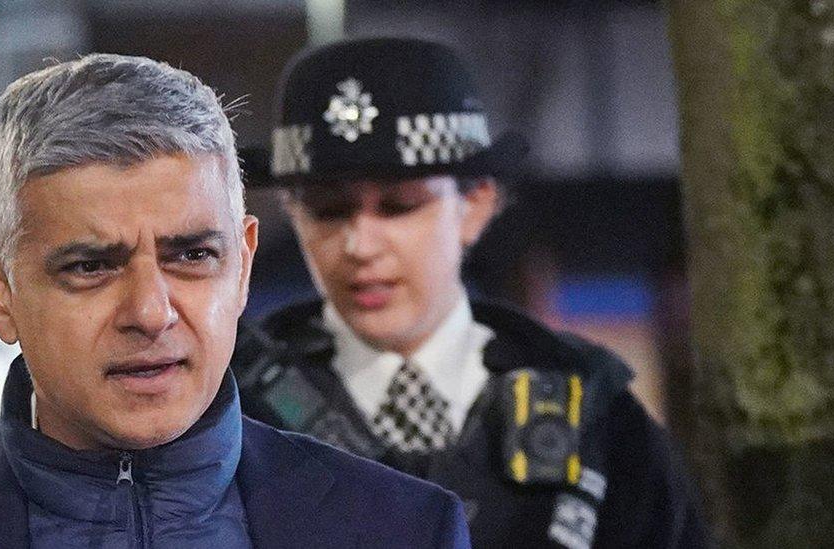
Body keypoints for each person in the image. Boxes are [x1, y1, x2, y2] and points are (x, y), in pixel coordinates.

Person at [0, 53, 470, 548]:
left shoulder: (405, 530)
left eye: (190, 256)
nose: (150, 313)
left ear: (242, 266)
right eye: (90, 266)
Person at [233, 38, 709, 548]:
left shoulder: (600, 417)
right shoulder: (234, 410)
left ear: (476, 204)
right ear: (291, 212)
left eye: (398, 206)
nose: (360, 245)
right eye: (327, 210)